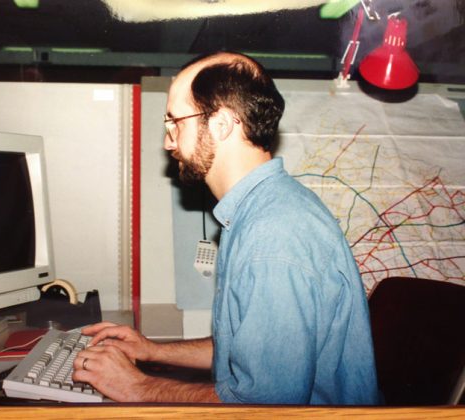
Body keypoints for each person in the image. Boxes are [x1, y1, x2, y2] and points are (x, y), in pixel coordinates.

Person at [72, 51, 380, 405]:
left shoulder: (274, 235)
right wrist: (151, 350)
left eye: (177, 122)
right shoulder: (261, 210)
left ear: (221, 124)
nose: (168, 142)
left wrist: (138, 387)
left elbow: (266, 403)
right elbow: (247, 350)